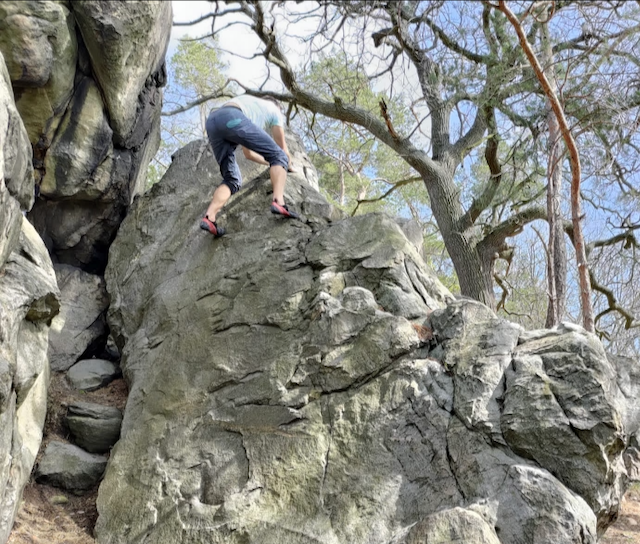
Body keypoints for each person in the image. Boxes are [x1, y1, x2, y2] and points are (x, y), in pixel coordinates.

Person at [200, 94, 300, 237]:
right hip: (232, 117)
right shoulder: (274, 109)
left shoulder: (249, 106)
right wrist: (286, 163)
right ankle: (279, 202)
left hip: (213, 121)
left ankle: (209, 217)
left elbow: (249, 154)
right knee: (279, 155)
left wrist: (271, 163)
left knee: (232, 180)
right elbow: (282, 148)